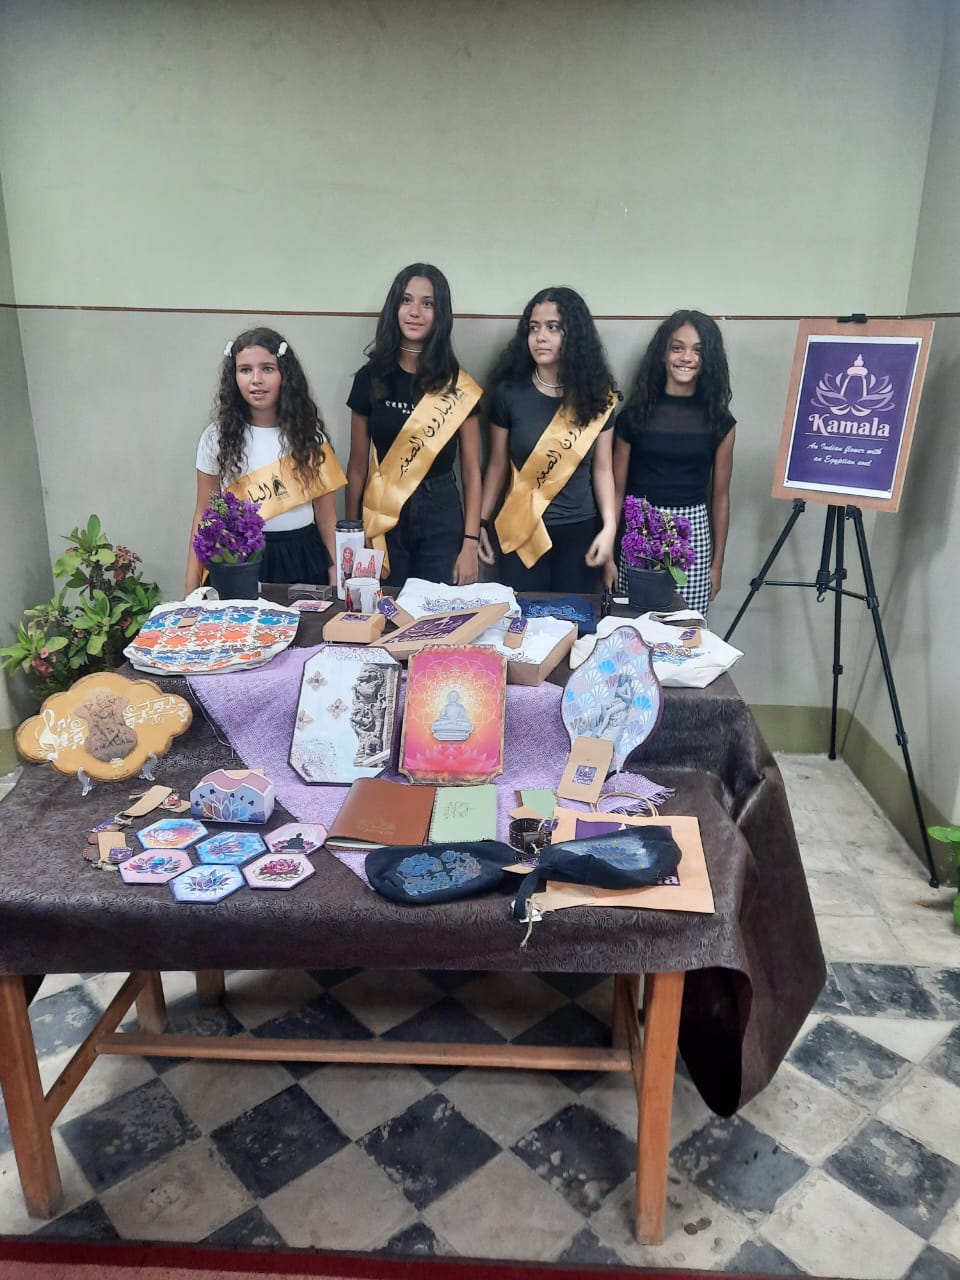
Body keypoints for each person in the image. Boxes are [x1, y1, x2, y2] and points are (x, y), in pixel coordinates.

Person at [345, 264, 482, 588]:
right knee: (386, 607)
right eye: (406, 300)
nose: (415, 312)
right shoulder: (370, 378)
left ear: (440, 313)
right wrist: (352, 534)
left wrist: (470, 544)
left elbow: (471, 471)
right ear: (394, 307)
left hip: (440, 510)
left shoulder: (458, 386)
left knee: (436, 611)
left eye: (427, 303)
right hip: (383, 510)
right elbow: (357, 466)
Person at [478, 287, 618, 593]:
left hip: (580, 533)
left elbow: (603, 469)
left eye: (553, 327)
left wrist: (610, 527)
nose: (540, 337)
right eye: (534, 327)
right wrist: (481, 523)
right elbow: (497, 464)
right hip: (521, 529)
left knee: (574, 619)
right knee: (522, 619)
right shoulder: (508, 393)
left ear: (574, 334)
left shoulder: (598, 398)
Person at [185, 327, 344, 593]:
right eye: (245, 370)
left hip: (302, 557)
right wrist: (191, 583)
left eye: (267, 369)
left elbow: (327, 518)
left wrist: (336, 572)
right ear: (234, 377)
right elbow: (205, 512)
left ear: (285, 374)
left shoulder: (310, 438)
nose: (256, 380)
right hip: (239, 558)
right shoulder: (216, 437)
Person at [609, 310, 735, 615]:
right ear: (663, 355)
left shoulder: (720, 422)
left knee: (686, 629)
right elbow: (615, 491)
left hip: (693, 536)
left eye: (697, 350)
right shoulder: (632, 417)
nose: (686, 357)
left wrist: (717, 565)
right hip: (639, 533)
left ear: (708, 360)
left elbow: (720, 497)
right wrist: (608, 556)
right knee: (637, 626)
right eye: (678, 348)